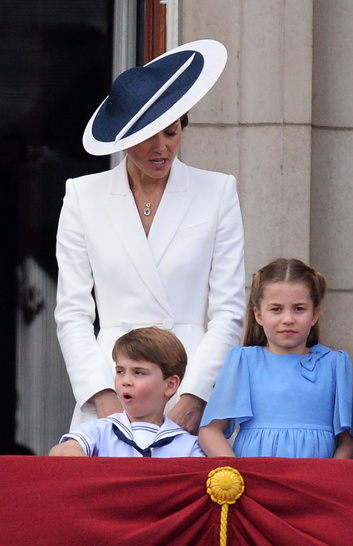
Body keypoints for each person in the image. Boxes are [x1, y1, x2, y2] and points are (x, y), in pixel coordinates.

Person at [54, 40, 246, 434]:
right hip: (111, 388)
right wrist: (102, 396)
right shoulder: (82, 195)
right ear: (123, 139)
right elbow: (72, 313)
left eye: (172, 133)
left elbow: (228, 311)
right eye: (147, 137)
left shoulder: (218, 191)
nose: (162, 148)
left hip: (187, 386)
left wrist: (194, 398)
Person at [198, 258, 353, 458]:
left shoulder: (335, 364)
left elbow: (348, 441)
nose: (288, 319)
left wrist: (326, 482)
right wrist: (239, 475)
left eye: (299, 309)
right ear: (258, 315)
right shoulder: (244, 361)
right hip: (255, 481)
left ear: (315, 314)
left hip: (314, 482)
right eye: (276, 309)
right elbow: (210, 431)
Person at [49, 327, 204, 457]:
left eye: (139, 373)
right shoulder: (99, 430)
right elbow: (61, 452)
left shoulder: (188, 446)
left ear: (170, 385)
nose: (126, 381)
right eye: (120, 371)